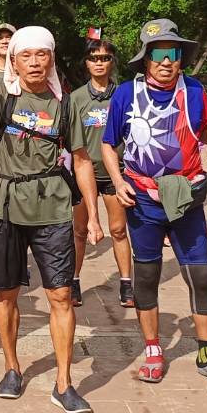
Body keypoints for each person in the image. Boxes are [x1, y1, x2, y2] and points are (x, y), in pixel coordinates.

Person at [0, 7, 102, 413]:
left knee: (61, 294)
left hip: (53, 206)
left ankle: (64, 383)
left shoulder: (65, 105)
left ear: (51, 58)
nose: (34, 62)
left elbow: (82, 159)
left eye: (41, 54)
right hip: (6, 205)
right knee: (7, 292)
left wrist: (94, 215)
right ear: (13, 59)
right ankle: (12, 368)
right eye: (25, 55)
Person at [103, 20, 207, 386]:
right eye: (158, 54)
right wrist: (118, 183)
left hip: (185, 199)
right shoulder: (126, 94)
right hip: (143, 200)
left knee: (201, 276)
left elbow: (204, 133)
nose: (166, 62)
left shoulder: (193, 90)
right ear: (145, 59)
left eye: (173, 53)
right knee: (147, 276)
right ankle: (153, 350)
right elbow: (108, 144)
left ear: (181, 58)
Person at [66, 37, 134, 308]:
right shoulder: (76, 99)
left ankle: (126, 283)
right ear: (86, 62)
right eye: (94, 58)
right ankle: (73, 281)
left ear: (112, 62)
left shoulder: (124, 95)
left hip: (115, 174)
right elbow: (73, 144)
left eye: (105, 58)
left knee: (118, 230)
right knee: (80, 231)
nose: (99, 63)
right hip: (85, 173)